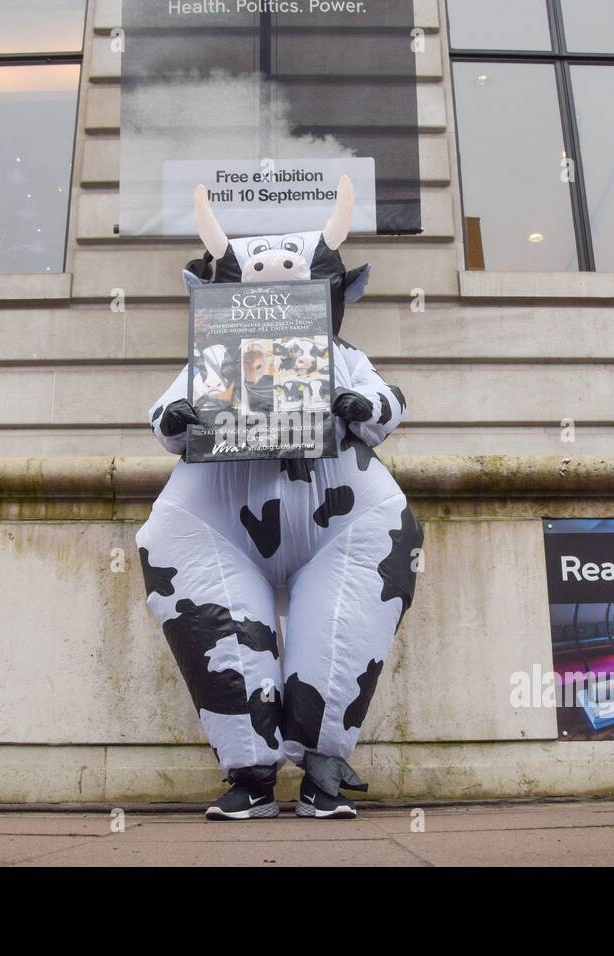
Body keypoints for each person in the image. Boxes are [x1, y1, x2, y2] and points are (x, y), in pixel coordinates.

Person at [137, 179, 423, 820]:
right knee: (210, 617)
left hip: (345, 517)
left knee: (344, 632)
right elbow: (164, 417)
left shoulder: (343, 357)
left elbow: (388, 403)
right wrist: (180, 419)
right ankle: (252, 772)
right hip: (217, 517)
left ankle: (321, 767)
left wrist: (361, 406)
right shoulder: (210, 359)